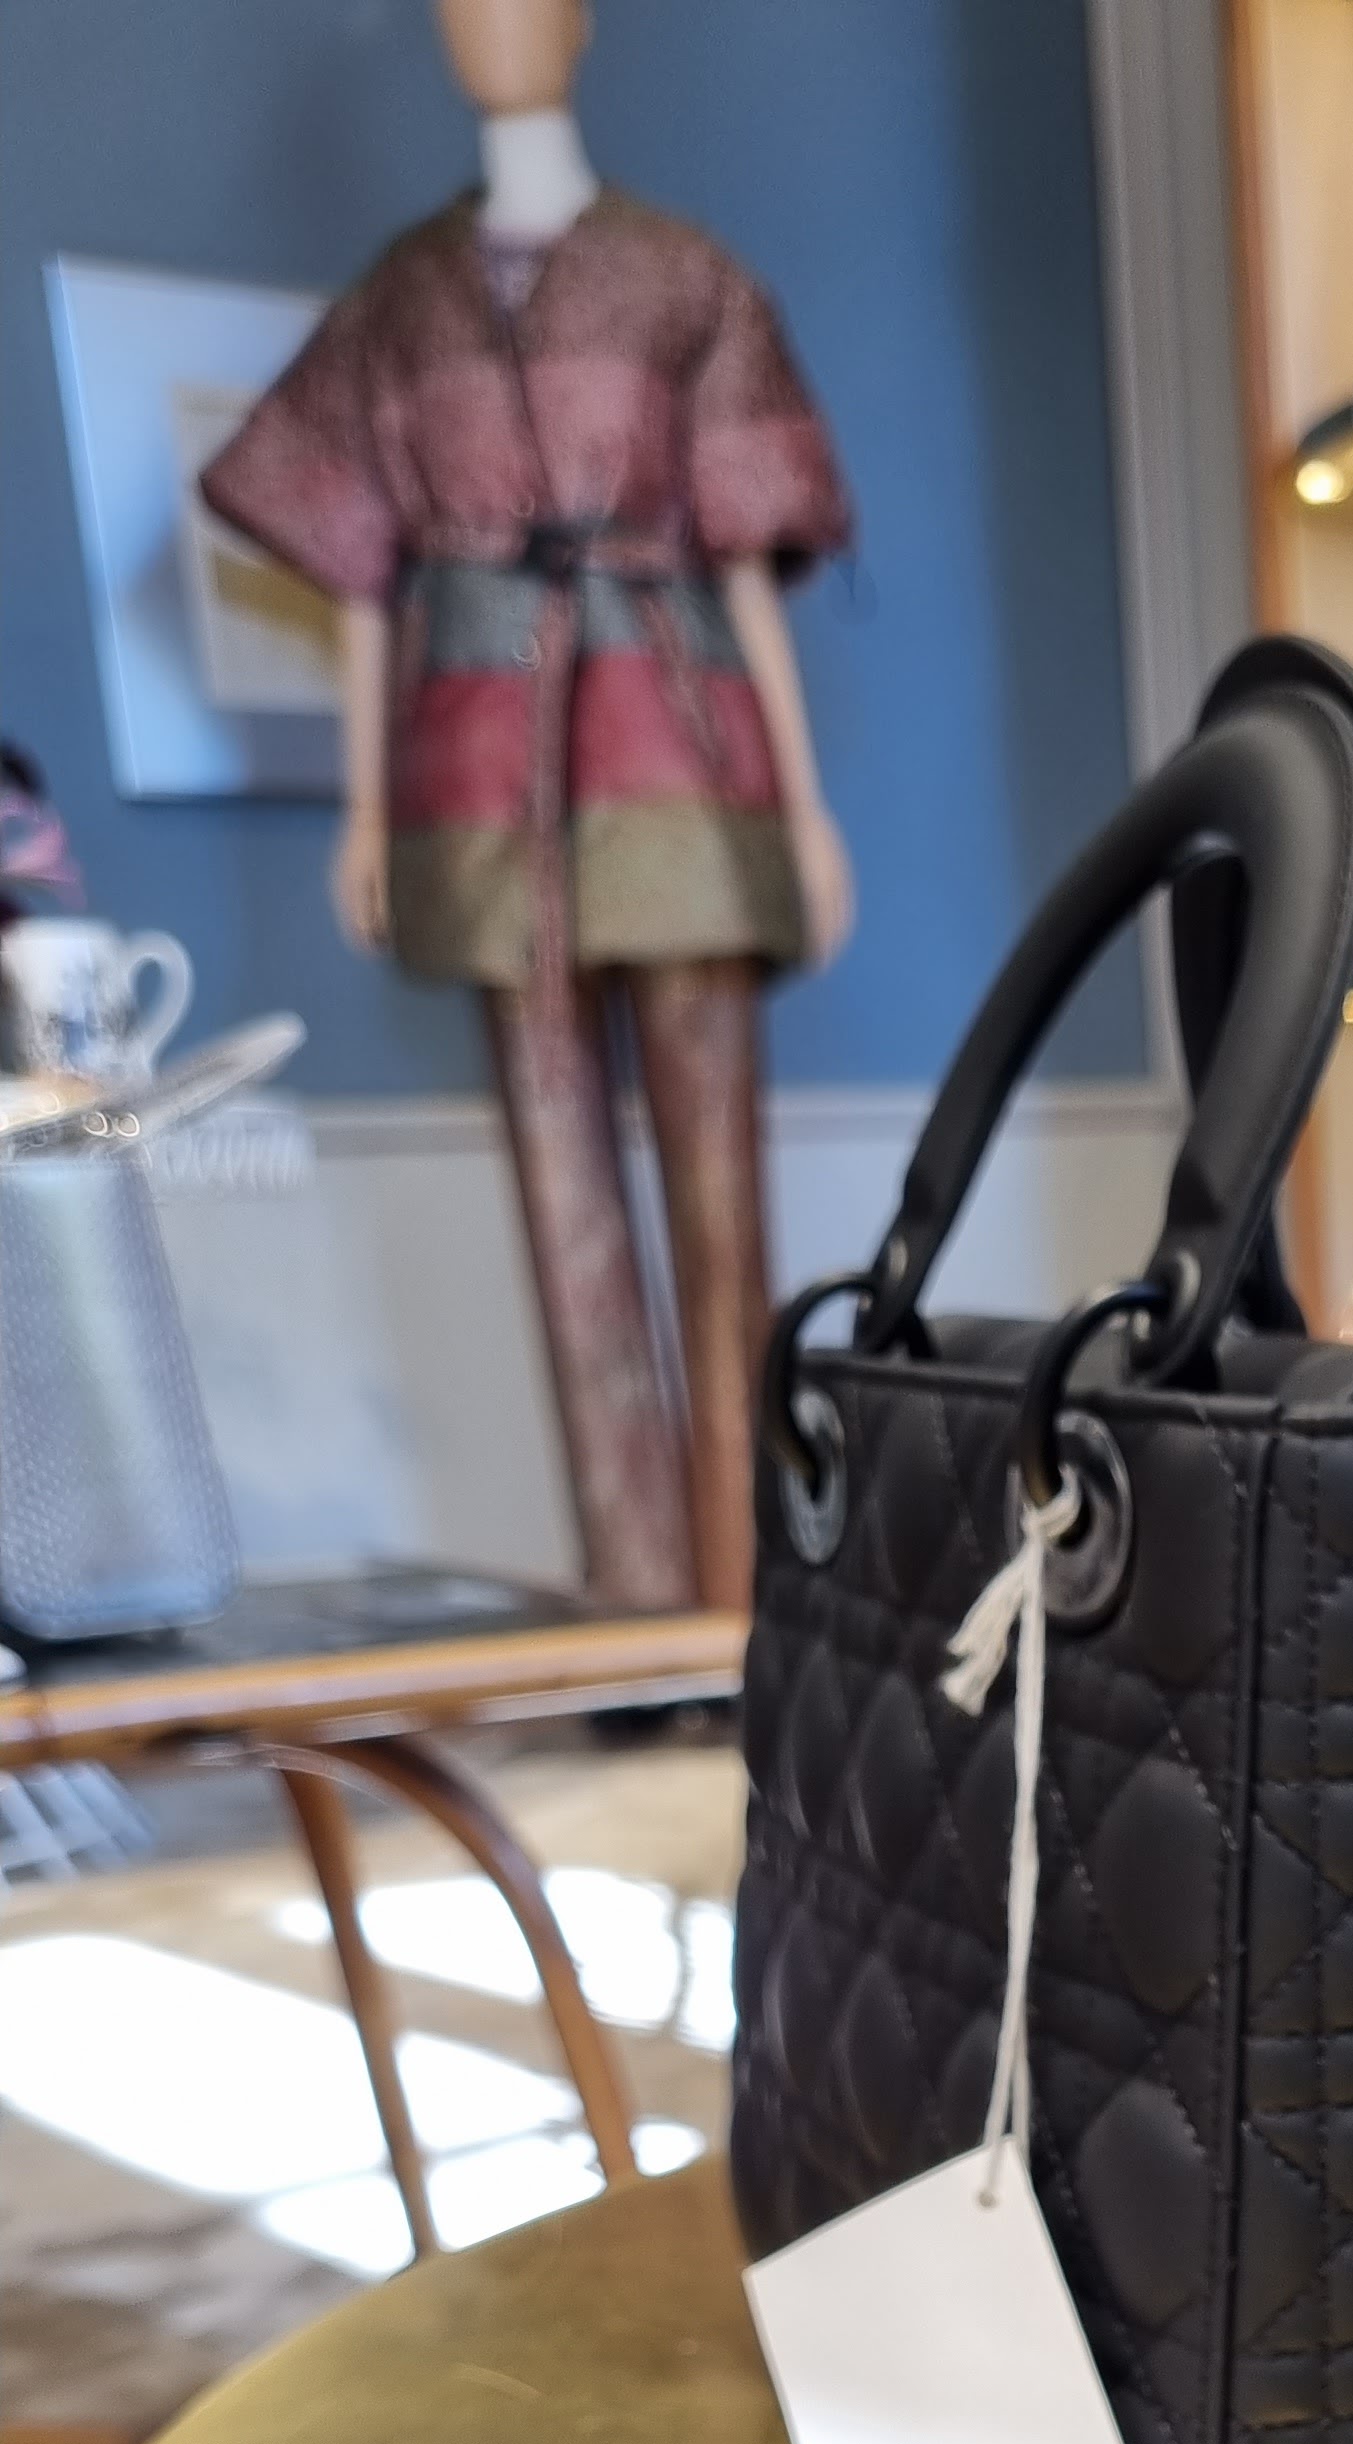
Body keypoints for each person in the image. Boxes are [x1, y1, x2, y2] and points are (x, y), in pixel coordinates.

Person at [203, 0, 853, 1611]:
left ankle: (755, 1613)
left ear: (578, 20)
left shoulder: (686, 276)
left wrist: (807, 812)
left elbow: (746, 564)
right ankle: (635, 1624)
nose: (490, 22)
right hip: (479, 771)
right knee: (564, 1217)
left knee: (724, 1220)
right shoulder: (398, 302)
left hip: (678, 746)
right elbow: (366, 584)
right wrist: (367, 812)